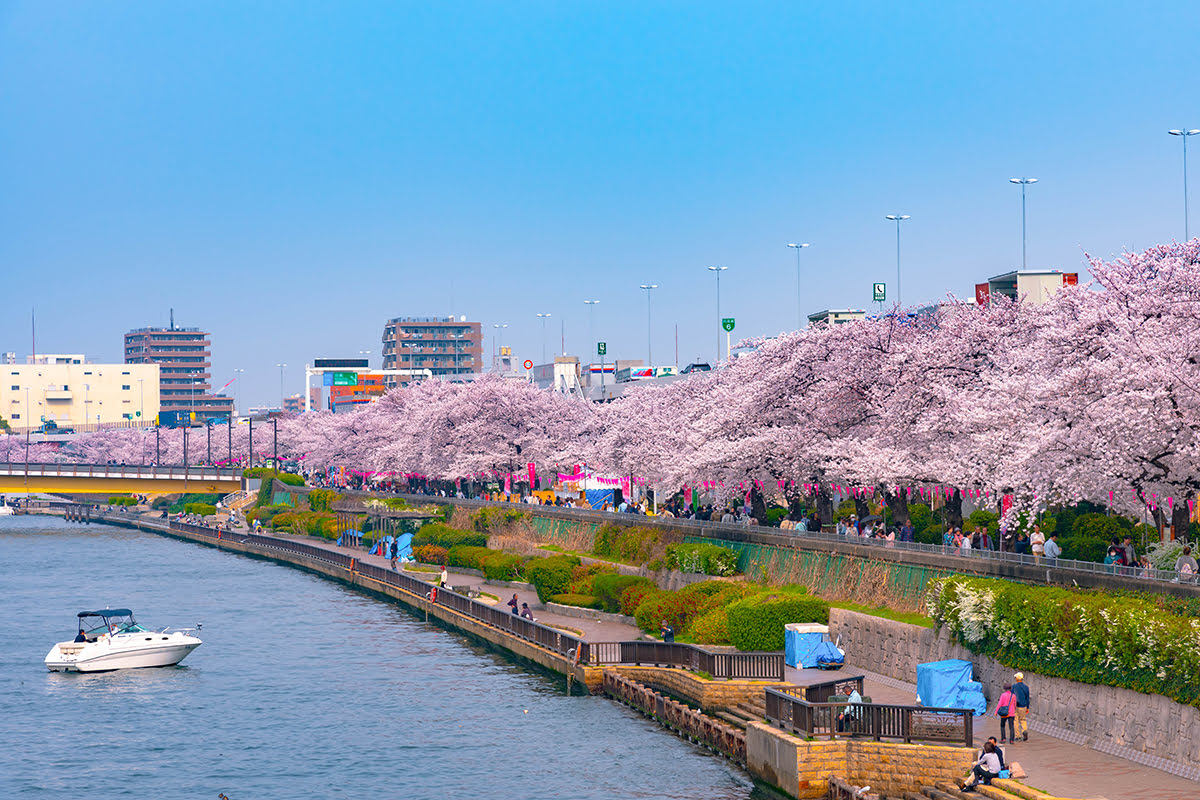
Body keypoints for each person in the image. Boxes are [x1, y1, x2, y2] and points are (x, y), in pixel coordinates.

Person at [1011, 672, 1030, 742]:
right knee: (1023, 720)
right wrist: (1027, 707)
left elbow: (1012, 696)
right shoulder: (1026, 687)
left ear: (1017, 679)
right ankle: (1024, 731)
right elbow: (1027, 698)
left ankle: (1017, 736)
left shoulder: (1013, 686)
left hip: (1015, 706)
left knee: (1015, 721)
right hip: (1023, 705)